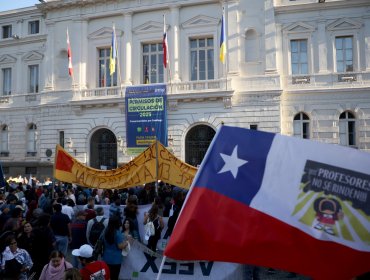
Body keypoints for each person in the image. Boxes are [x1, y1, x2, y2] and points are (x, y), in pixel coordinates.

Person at [102, 215, 131, 280]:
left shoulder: (105, 231)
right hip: (115, 259)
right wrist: (127, 242)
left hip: (106, 257)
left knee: (106, 276)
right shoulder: (117, 233)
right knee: (114, 277)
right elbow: (120, 246)